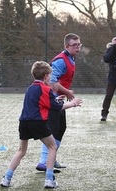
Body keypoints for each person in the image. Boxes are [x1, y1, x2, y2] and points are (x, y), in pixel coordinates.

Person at [0, 61, 82, 188]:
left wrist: (55, 99)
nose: (51, 77)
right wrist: (73, 103)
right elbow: (56, 108)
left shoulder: (30, 88)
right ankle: (49, 180)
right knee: (52, 147)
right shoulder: (46, 89)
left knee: (21, 151)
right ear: (45, 76)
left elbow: (40, 102)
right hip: (37, 123)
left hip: (23, 123)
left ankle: (6, 178)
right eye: (50, 75)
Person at [36, 33, 81, 171]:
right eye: (74, 45)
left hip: (58, 99)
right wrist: (67, 92)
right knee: (52, 130)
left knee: (61, 128)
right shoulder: (61, 60)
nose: (78, 47)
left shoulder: (70, 58)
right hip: (52, 100)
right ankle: (43, 162)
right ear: (66, 46)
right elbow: (52, 81)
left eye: (79, 44)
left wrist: (65, 91)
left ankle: (51, 158)